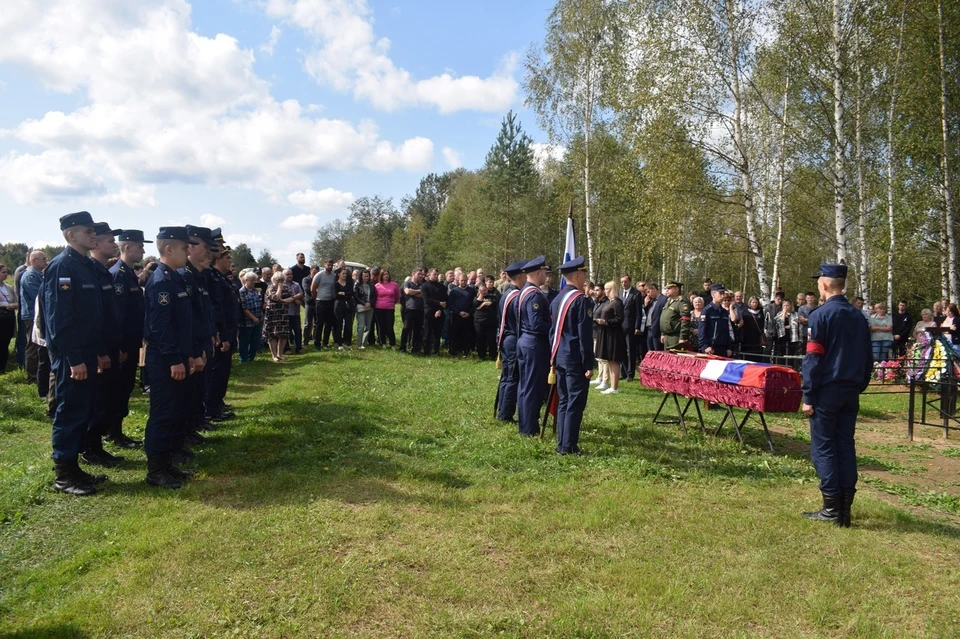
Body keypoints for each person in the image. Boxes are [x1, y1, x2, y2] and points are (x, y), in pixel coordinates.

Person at [802, 263, 872, 527]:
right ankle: (844, 510)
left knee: (824, 448)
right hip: (850, 390)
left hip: (827, 390)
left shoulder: (820, 316)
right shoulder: (858, 317)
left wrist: (808, 395)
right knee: (845, 446)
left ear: (824, 284)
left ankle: (832, 509)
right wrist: (859, 384)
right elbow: (868, 358)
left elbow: (813, 358)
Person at [143, 227, 199, 489]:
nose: (189, 252)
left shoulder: (174, 279)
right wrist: (175, 359)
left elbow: (182, 325)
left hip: (177, 357)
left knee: (173, 411)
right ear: (169, 249)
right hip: (165, 360)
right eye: (184, 247)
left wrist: (186, 356)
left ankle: (166, 464)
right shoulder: (161, 281)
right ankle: (155, 470)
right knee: (162, 414)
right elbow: (160, 327)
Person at [105, 231, 148, 449]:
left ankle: (117, 430)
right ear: (128, 248)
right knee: (118, 389)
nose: (143, 250)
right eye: (140, 246)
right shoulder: (118, 274)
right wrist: (120, 346)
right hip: (123, 344)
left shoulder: (128, 273)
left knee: (125, 387)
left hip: (131, 342)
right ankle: (113, 432)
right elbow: (118, 315)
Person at [550, 256, 594, 454]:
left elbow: (553, 332)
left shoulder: (557, 299)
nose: (585, 276)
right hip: (575, 358)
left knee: (564, 401)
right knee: (575, 403)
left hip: (560, 356)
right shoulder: (580, 301)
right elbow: (584, 336)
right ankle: (568, 446)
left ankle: (562, 443)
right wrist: (588, 364)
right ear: (577, 274)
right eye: (583, 273)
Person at [516, 256, 551, 436]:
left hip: (526, 342)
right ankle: (529, 429)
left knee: (525, 386)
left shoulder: (524, 291)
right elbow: (537, 324)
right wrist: (555, 327)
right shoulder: (534, 294)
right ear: (538, 273)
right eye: (544, 272)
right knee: (532, 388)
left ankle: (525, 425)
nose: (546, 275)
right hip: (534, 344)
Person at [495, 261, 526, 422]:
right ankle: (505, 414)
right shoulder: (516, 297)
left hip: (506, 338)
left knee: (507, 376)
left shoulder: (507, 294)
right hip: (513, 339)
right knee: (511, 377)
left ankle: (502, 410)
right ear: (520, 276)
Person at [17, 251, 47, 383]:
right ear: (34, 260)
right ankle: (31, 377)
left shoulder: (38, 274)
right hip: (31, 315)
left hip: (36, 314)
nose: (46, 261)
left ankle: (37, 375)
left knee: (37, 345)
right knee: (32, 345)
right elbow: (38, 295)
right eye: (43, 259)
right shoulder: (30, 275)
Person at [594, 281, 626, 394]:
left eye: (607, 289)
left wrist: (605, 322)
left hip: (614, 335)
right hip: (606, 333)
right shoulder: (609, 302)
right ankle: (611, 386)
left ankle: (614, 387)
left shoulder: (617, 302)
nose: (605, 291)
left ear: (612, 289)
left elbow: (619, 319)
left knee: (613, 360)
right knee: (609, 360)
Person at [265, 271, 293, 359]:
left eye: (282, 280)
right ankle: (274, 355)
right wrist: (279, 289)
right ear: (274, 280)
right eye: (278, 280)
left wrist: (284, 301)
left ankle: (280, 354)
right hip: (273, 315)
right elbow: (276, 298)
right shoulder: (270, 288)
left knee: (283, 335)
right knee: (272, 335)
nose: (280, 282)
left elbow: (292, 297)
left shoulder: (286, 287)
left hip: (283, 314)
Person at [700, 284, 734, 356]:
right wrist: (705, 346)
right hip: (711, 348)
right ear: (713, 294)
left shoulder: (724, 312)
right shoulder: (707, 310)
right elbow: (702, 331)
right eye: (720, 293)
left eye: (723, 293)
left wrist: (729, 347)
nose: (722, 296)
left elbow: (727, 331)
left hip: (723, 348)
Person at [310, 259, 337, 349]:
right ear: (324, 265)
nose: (329, 267)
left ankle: (325, 343)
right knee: (319, 324)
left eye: (331, 265)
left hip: (331, 301)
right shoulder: (319, 275)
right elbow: (313, 289)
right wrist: (316, 298)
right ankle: (317, 344)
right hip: (320, 301)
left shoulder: (334, 276)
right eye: (328, 265)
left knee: (329, 324)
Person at [421, 268, 448, 356]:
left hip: (439, 312)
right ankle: (426, 352)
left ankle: (436, 351)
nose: (436, 276)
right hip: (429, 312)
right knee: (427, 333)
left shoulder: (442, 286)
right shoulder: (424, 286)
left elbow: (445, 299)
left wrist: (440, 309)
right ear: (429, 275)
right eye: (434, 274)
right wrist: (439, 303)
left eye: (437, 274)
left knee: (437, 334)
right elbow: (427, 299)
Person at [238, 271, 263, 362]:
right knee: (244, 341)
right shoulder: (241, 292)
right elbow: (244, 308)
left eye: (254, 280)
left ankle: (251, 357)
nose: (253, 282)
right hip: (246, 321)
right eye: (251, 280)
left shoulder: (255, 291)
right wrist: (253, 318)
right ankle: (243, 359)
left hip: (257, 320)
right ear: (246, 280)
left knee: (255, 340)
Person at [660, 281, 692, 350]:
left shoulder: (682, 301)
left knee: (674, 359)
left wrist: (682, 337)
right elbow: (666, 319)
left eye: (669, 288)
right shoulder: (669, 301)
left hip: (675, 337)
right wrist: (663, 333)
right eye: (666, 288)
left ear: (676, 290)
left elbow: (685, 320)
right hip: (667, 336)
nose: (666, 290)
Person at [447, 273, 474, 356]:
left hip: (468, 316)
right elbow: (450, 304)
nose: (463, 282)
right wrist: (459, 312)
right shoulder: (454, 291)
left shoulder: (472, 291)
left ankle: (466, 350)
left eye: (465, 280)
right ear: (458, 280)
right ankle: (454, 350)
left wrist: (469, 313)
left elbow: (475, 304)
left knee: (467, 334)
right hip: (456, 316)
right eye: (462, 280)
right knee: (455, 333)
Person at [473, 276, 500, 361]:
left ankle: (493, 355)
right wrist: (481, 296)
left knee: (491, 339)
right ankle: (482, 355)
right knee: (480, 338)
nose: (484, 292)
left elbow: (494, 303)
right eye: (481, 290)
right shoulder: (476, 298)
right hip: (479, 321)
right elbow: (476, 304)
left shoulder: (492, 296)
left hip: (491, 321)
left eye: (485, 290)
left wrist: (484, 304)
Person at [619, 274, 640, 381]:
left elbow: (638, 313)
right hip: (620, 326)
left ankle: (630, 374)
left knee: (631, 351)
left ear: (630, 282)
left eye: (625, 281)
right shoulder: (620, 293)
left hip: (630, 326)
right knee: (621, 350)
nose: (623, 284)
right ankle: (624, 371)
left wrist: (637, 327)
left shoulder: (636, 294)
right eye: (622, 282)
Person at [0, 264, 20, 373]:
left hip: (8, 318)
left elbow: (16, 300)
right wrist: (4, 304)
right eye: (3, 272)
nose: (6, 274)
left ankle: (3, 366)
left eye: (6, 272)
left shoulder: (8, 287)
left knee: (5, 342)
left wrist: (15, 305)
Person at [374, 269, 400, 347]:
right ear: (381, 276)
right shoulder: (377, 285)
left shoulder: (394, 285)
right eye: (384, 274)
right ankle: (383, 342)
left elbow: (397, 297)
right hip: (379, 308)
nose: (386, 276)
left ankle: (392, 343)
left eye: (387, 274)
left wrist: (391, 303)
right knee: (381, 326)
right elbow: (374, 296)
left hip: (390, 308)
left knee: (389, 326)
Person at [400, 268, 424, 353]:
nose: (421, 276)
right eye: (419, 274)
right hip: (409, 309)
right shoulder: (408, 283)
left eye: (421, 274)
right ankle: (402, 347)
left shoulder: (423, 284)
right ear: (413, 274)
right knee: (406, 328)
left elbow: (424, 295)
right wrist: (419, 291)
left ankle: (414, 347)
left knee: (417, 330)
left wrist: (413, 293)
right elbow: (407, 291)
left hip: (420, 310)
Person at [283, 268, 304, 353]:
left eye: (291, 274)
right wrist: (295, 299)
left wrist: (292, 298)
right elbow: (283, 298)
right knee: (286, 331)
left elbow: (301, 294)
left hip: (295, 312)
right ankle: (286, 348)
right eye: (287, 274)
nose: (289, 276)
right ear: (283, 275)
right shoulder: (281, 286)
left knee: (297, 330)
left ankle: (298, 348)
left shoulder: (296, 284)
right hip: (285, 312)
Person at [332, 267, 354, 350]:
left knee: (348, 325)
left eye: (346, 273)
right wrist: (345, 294)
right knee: (339, 325)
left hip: (348, 306)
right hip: (338, 306)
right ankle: (339, 343)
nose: (345, 275)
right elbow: (335, 295)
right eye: (343, 273)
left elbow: (351, 293)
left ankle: (348, 343)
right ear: (339, 274)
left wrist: (343, 293)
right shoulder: (335, 284)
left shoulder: (349, 283)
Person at [354, 269, 375, 349]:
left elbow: (374, 296)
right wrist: (364, 303)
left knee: (368, 326)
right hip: (361, 307)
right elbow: (356, 296)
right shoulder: (357, 285)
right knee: (361, 326)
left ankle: (364, 343)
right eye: (364, 276)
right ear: (361, 276)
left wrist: (370, 303)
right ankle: (359, 344)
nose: (366, 278)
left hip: (370, 307)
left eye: (367, 276)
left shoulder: (372, 285)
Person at [740, 296, 765, 361]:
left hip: (757, 336)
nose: (755, 304)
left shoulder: (761, 312)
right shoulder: (745, 312)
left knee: (757, 355)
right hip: (747, 337)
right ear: (750, 303)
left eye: (756, 302)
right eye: (753, 302)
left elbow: (763, 323)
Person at [645, 283, 668, 353]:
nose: (648, 294)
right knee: (650, 353)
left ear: (654, 289)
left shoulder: (664, 299)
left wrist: (663, 333)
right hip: (649, 330)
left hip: (658, 331)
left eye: (649, 291)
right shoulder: (650, 301)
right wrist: (646, 305)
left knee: (658, 353)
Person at [302, 265, 318, 346]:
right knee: (307, 323)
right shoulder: (306, 279)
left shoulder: (319, 280)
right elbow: (308, 290)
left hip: (317, 304)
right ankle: (305, 341)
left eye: (316, 273)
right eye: (314, 272)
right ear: (310, 271)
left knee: (316, 323)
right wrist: (316, 290)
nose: (315, 274)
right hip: (309, 303)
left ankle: (316, 340)